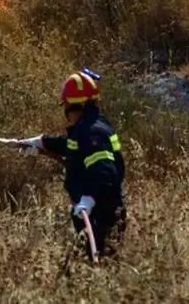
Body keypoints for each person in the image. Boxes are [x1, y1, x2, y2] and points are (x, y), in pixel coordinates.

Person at [10, 68, 127, 263]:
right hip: (95, 210)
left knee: (95, 268)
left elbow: (105, 171)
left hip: (101, 213)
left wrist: (88, 199)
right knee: (85, 267)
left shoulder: (92, 133)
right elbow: (72, 147)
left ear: (75, 107)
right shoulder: (89, 126)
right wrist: (40, 142)